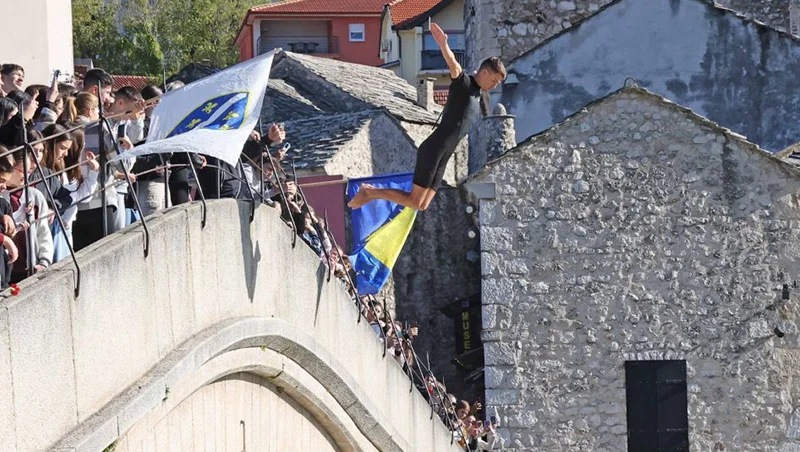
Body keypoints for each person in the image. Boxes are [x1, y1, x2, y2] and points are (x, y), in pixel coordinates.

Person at [347, 23, 506, 211]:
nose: (495, 86)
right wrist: (443, 44)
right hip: (434, 148)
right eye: (494, 80)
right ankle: (369, 192)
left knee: (420, 205)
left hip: (444, 154)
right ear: (485, 72)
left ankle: (371, 193)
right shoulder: (464, 84)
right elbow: (454, 65)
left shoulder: (478, 94)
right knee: (416, 200)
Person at [39, 124, 99, 261]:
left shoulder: (63, 167)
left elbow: (79, 197)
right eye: (63, 148)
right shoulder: (44, 170)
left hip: (64, 229)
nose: (65, 153)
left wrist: (94, 172)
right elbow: (75, 197)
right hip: (52, 230)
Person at [5, 148, 53, 282]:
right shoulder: (3, 197)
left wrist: (44, 261)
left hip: (29, 266)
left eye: (29, 170)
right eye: (21, 170)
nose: (26, 174)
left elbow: (43, 232)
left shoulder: (35, 196)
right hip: (6, 268)